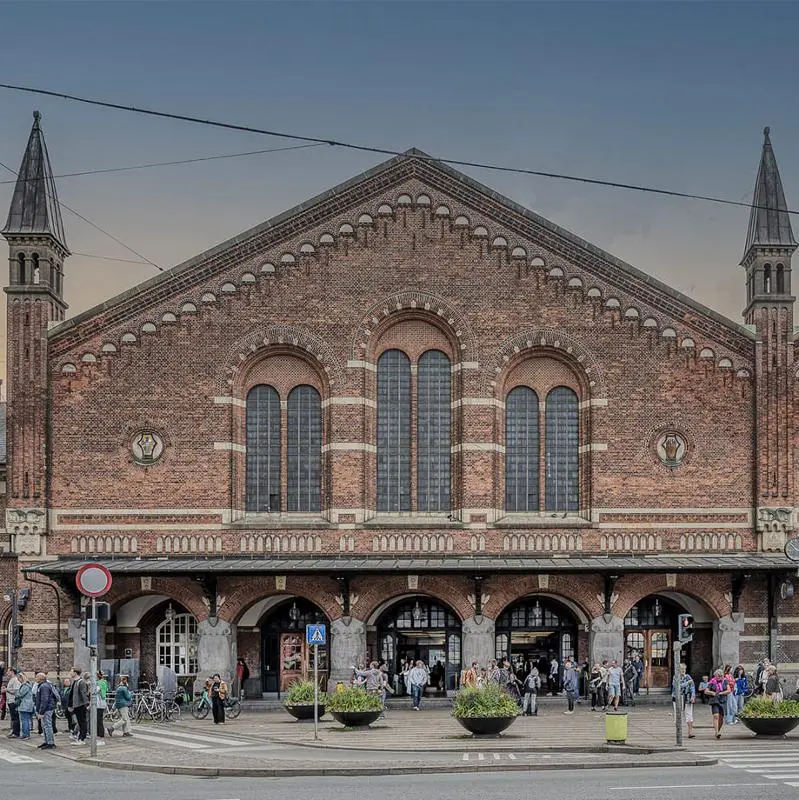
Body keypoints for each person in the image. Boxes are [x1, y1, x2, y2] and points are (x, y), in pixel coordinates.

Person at [671, 664, 696, 739]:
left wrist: (693, 696)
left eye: (684, 669)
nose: (683, 671)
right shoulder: (675, 677)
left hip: (687, 697)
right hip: (677, 697)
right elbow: (677, 686)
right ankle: (678, 732)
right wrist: (687, 683)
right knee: (677, 714)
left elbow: (692, 686)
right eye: (682, 670)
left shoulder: (688, 677)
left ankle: (690, 732)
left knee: (689, 714)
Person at [34, 672, 57, 749]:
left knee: (47, 726)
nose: (35, 679)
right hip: (45, 708)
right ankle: (47, 741)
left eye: (36, 677)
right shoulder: (42, 685)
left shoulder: (44, 686)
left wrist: (41, 712)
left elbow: (45, 700)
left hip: (47, 709)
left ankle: (50, 742)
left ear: (40, 678)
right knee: (44, 726)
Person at [705, 668, 730, 739]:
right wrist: (712, 693)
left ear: (722, 676)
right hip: (714, 700)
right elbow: (706, 691)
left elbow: (729, 690)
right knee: (716, 716)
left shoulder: (725, 681)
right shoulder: (712, 682)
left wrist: (721, 693)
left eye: (719, 676)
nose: (717, 677)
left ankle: (718, 731)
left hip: (723, 700)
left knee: (721, 718)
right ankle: (716, 732)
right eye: (716, 676)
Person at [67, 667, 89, 745]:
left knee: (82, 722)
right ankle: (80, 737)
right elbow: (72, 694)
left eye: (71, 672)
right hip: (76, 705)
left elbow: (83, 694)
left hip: (80, 705)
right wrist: (70, 705)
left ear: (75, 673)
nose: (70, 673)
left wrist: (86, 704)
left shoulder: (81, 682)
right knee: (79, 722)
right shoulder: (74, 682)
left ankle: (82, 739)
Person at [16, 672, 34, 740]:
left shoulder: (25, 686)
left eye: (18, 678)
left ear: (21, 678)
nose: (18, 680)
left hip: (25, 705)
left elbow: (20, 694)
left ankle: (26, 735)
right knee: (24, 720)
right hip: (26, 705)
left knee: (25, 720)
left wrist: (17, 691)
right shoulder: (27, 685)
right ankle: (24, 734)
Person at [6, 667, 20, 738]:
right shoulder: (11, 680)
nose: (7, 673)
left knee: (15, 718)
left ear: (12, 672)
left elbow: (16, 692)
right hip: (10, 701)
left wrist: (7, 690)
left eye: (8, 671)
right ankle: (14, 731)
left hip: (13, 701)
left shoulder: (15, 680)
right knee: (13, 717)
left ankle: (16, 733)